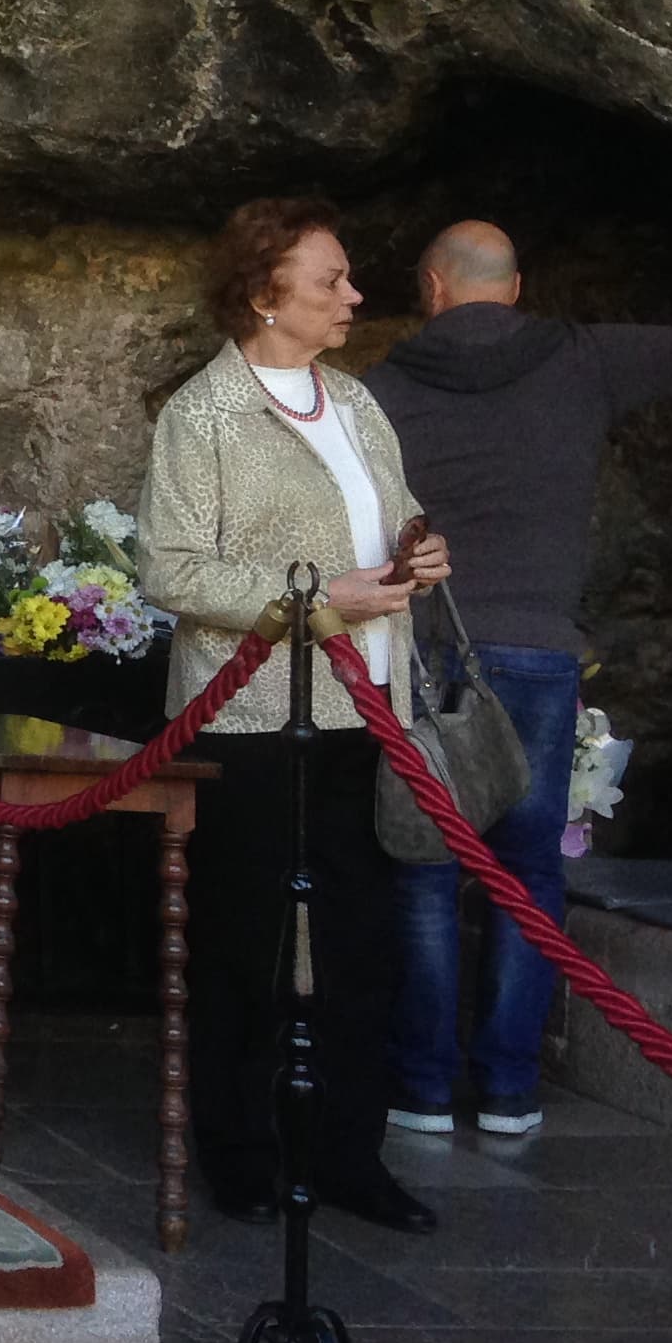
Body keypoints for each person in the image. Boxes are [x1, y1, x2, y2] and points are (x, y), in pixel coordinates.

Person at [362, 225, 672, 1139]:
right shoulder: (581, 358)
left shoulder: (377, 390)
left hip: (419, 650)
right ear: (517, 286)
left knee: (423, 866)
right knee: (529, 869)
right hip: (538, 651)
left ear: (431, 286)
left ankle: (419, 1088)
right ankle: (506, 1089)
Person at [141, 198, 448, 1234]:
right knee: (248, 943)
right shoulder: (204, 414)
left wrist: (420, 552)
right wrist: (323, 600)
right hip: (251, 717)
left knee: (363, 946)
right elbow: (172, 571)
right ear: (267, 294)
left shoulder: (357, 402)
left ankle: (350, 1157)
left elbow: (392, 514)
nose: (354, 297)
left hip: (369, 709)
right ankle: (238, 1151)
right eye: (331, 281)